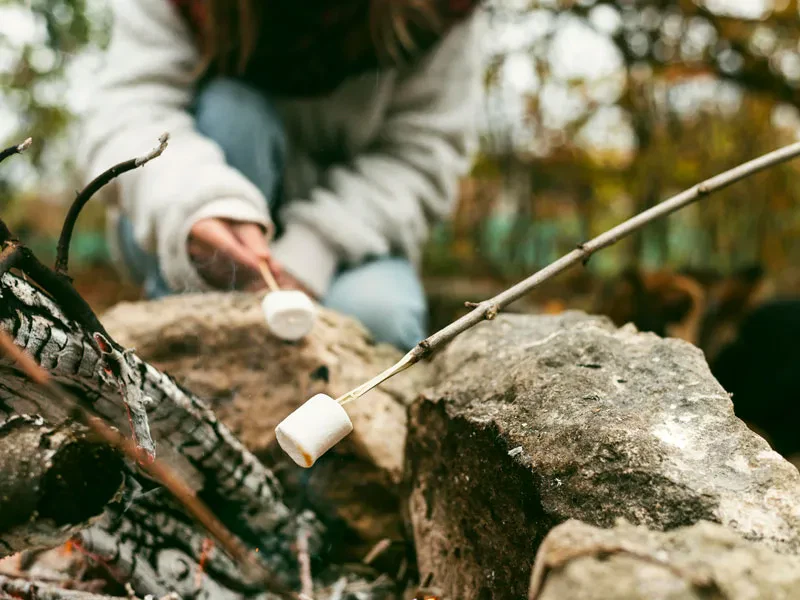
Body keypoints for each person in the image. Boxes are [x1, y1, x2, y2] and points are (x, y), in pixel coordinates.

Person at [77, 0, 484, 352]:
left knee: (380, 319)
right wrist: (197, 203)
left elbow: (422, 154)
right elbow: (127, 109)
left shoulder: (443, 10)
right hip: (181, 204)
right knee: (231, 113)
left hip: (354, 237)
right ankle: (179, 349)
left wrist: (315, 246)